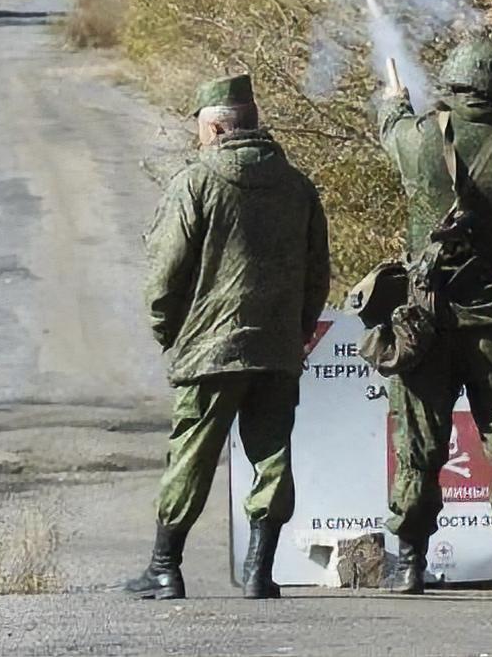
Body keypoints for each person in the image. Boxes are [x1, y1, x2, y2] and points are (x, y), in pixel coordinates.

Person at [127, 73, 330, 600]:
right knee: (272, 456)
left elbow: (164, 274)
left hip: (210, 351)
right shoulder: (299, 187)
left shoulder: (195, 183)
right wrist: (297, 332)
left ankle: (165, 569)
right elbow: (317, 275)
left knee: (190, 457)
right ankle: (260, 572)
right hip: (277, 349)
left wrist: (168, 331)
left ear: (215, 129)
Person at [377, 36, 492, 599]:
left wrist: (392, 99)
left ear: (452, 83)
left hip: (424, 324)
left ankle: (409, 563)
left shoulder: (419, 139)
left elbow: (391, 129)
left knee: (417, 441)